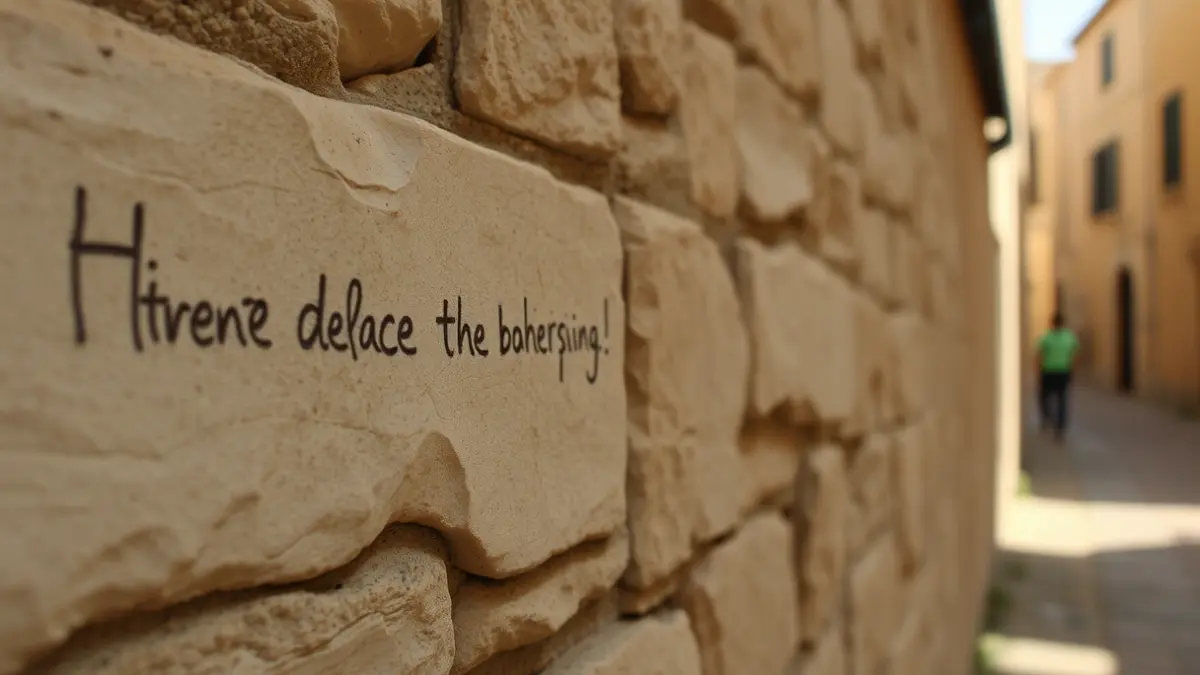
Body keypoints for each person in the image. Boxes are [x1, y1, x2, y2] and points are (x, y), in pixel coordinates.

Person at [1036, 312, 1080, 440]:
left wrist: (1038, 369)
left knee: (1045, 397)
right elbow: (1075, 355)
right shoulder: (1069, 337)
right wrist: (1073, 370)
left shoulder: (1046, 337)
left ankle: (1047, 417)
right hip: (1064, 371)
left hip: (1048, 371)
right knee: (1062, 399)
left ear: (1052, 323)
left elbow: (1039, 354)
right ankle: (1060, 426)